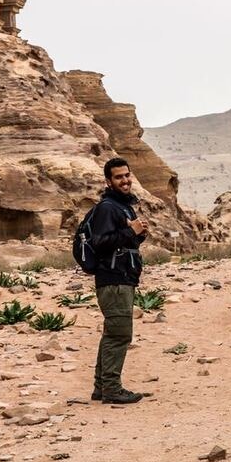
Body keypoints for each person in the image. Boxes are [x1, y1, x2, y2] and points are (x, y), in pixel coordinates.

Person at [89, 157, 147, 404]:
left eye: (126, 175)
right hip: (113, 280)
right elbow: (100, 243)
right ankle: (112, 389)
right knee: (119, 334)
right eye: (118, 177)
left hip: (123, 278)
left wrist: (138, 235)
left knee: (112, 332)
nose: (125, 180)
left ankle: (102, 387)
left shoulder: (123, 206)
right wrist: (130, 231)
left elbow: (123, 242)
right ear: (108, 181)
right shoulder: (107, 207)